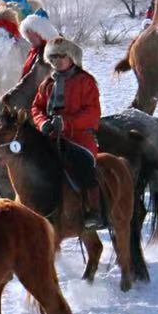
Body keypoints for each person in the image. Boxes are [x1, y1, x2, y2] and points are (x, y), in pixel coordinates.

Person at [30, 36, 104, 229]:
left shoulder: (86, 81)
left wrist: (67, 123)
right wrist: (42, 123)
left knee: (82, 166)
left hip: (79, 138)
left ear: (71, 57)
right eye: (52, 57)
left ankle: (94, 211)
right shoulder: (47, 84)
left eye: (61, 56)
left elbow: (93, 113)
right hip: (51, 136)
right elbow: (36, 107)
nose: (56, 61)